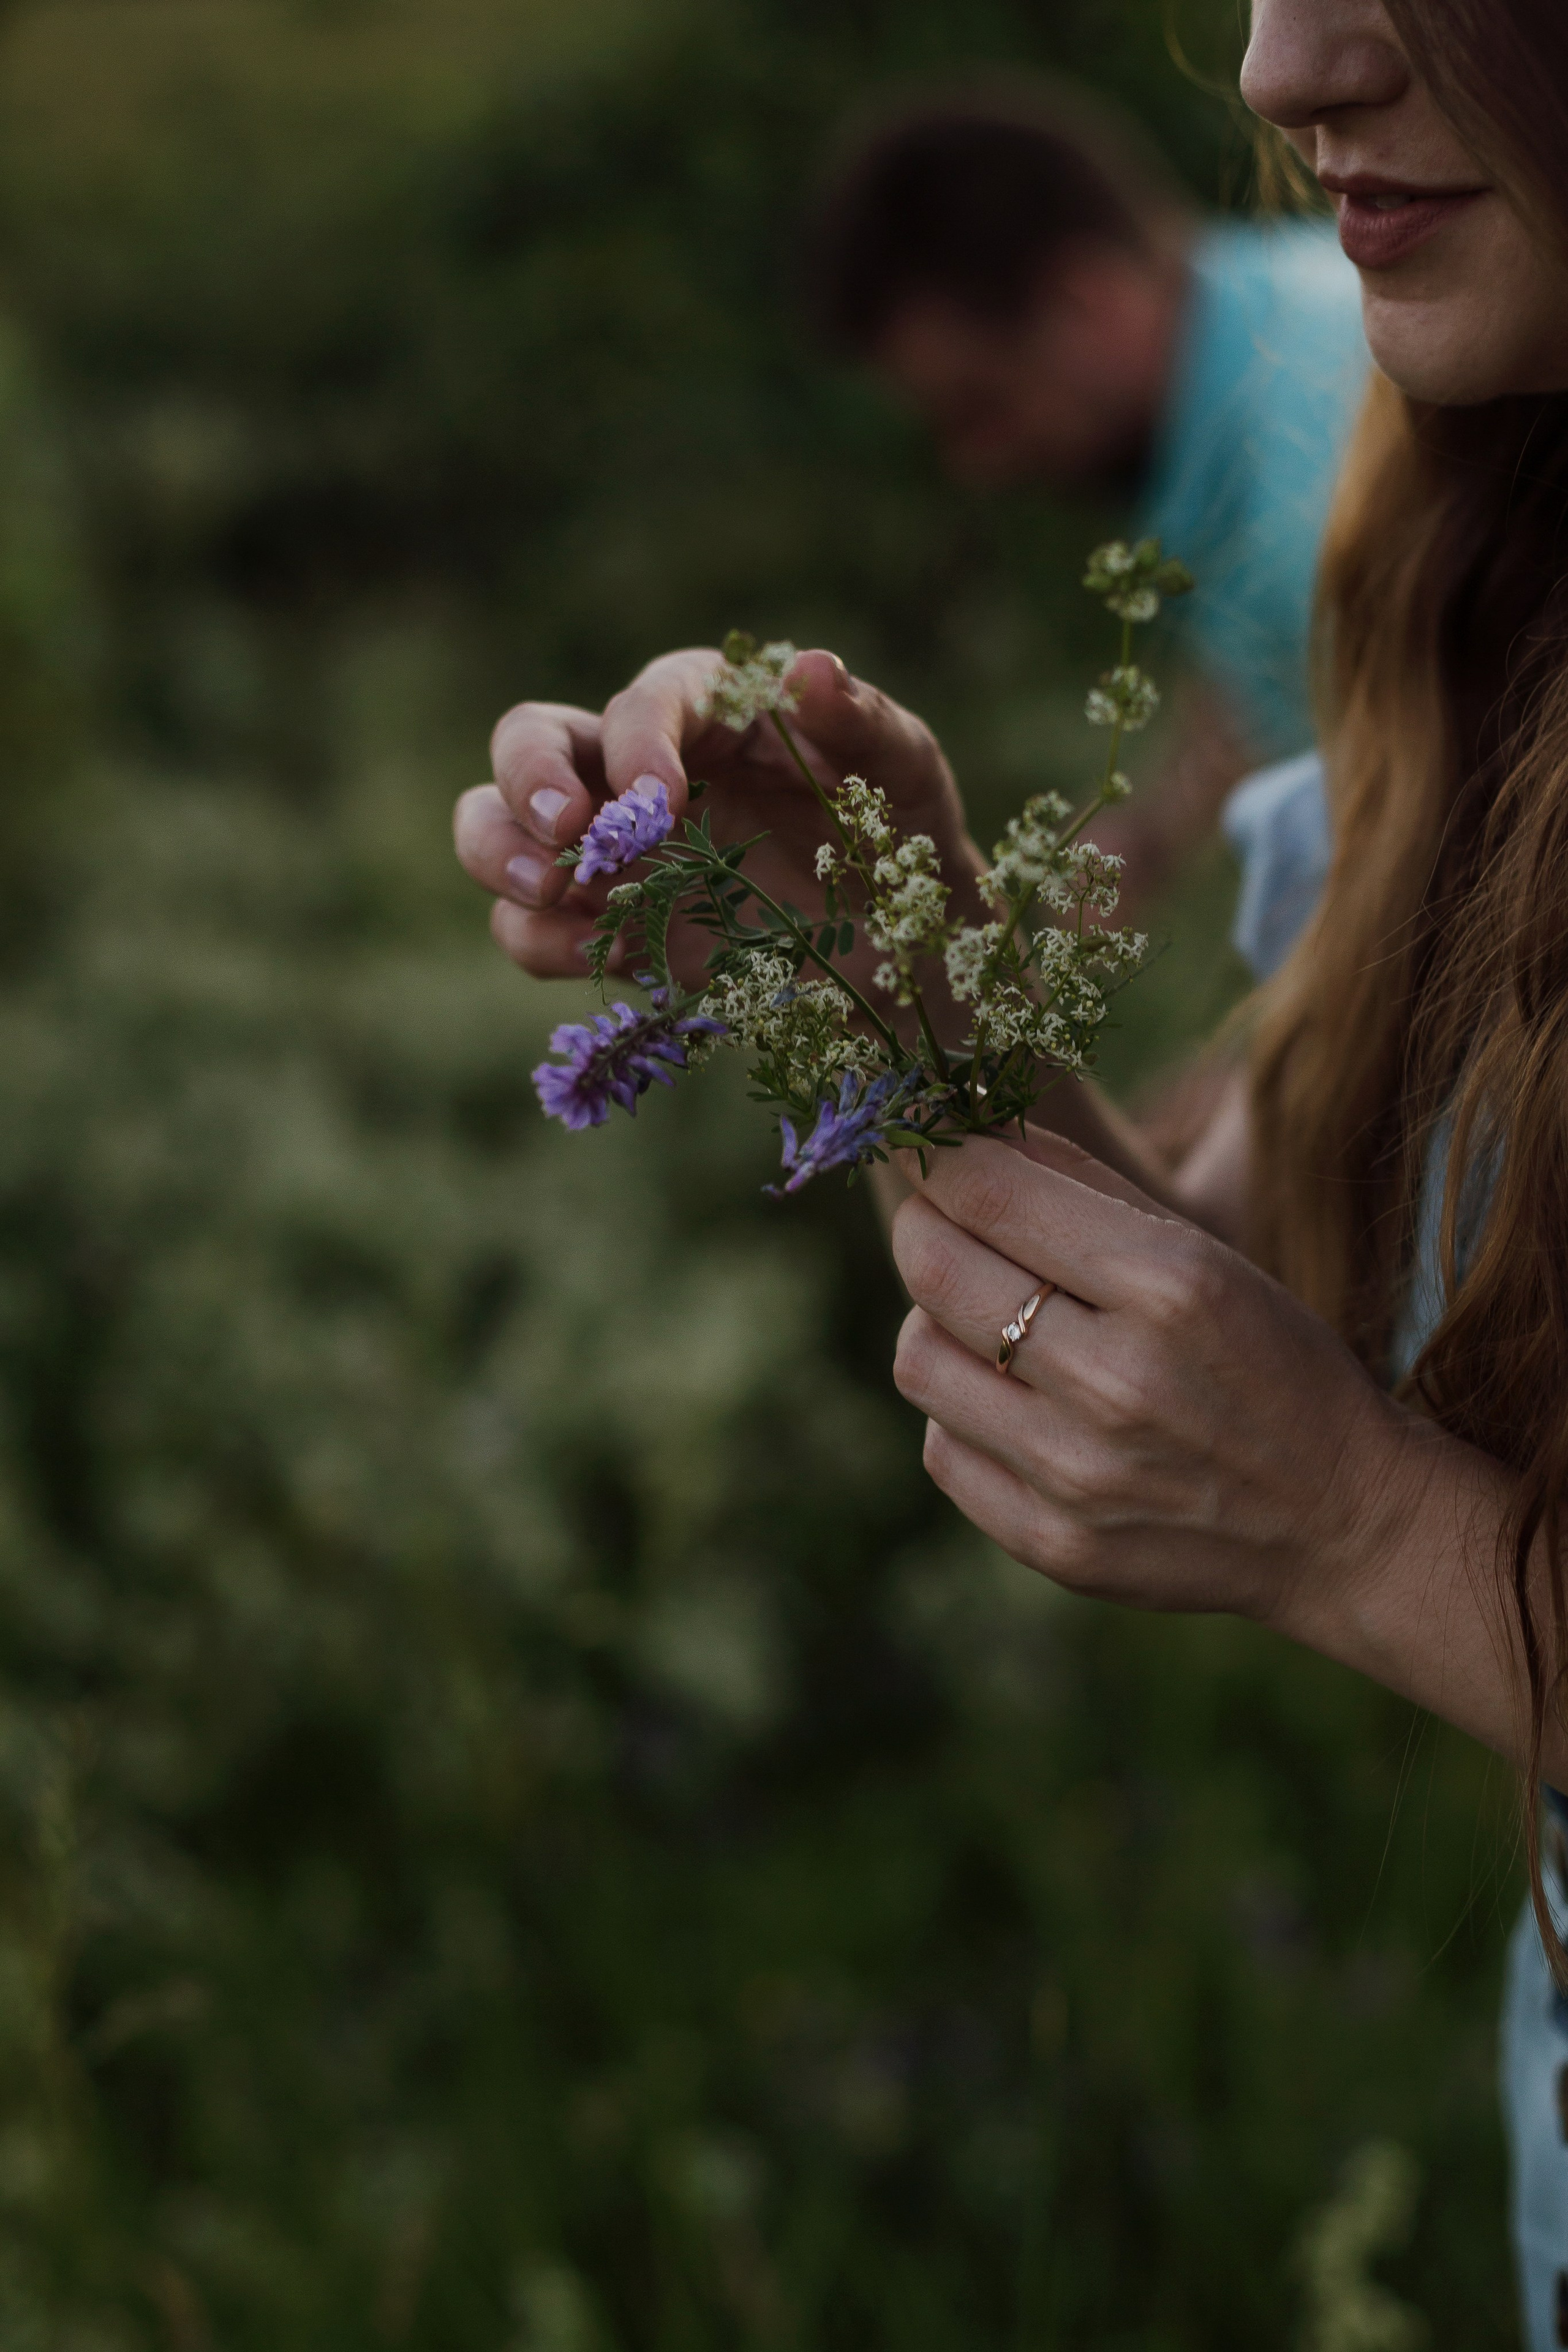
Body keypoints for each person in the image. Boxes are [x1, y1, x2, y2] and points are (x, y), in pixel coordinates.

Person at [456, 0, 1568, 2337]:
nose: (1272, 66)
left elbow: (1326, 1451)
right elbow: (1231, 1274)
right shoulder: (1465, 552)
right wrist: (882, 952)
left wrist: (1373, 1528)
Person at [806, 84, 1370, 911]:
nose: (975, 464)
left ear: (1084, 299)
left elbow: (1448, 890)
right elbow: (1263, 670)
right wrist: (1148, 834)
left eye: (980, 406)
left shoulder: (1320, 504)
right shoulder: (1286, 305)